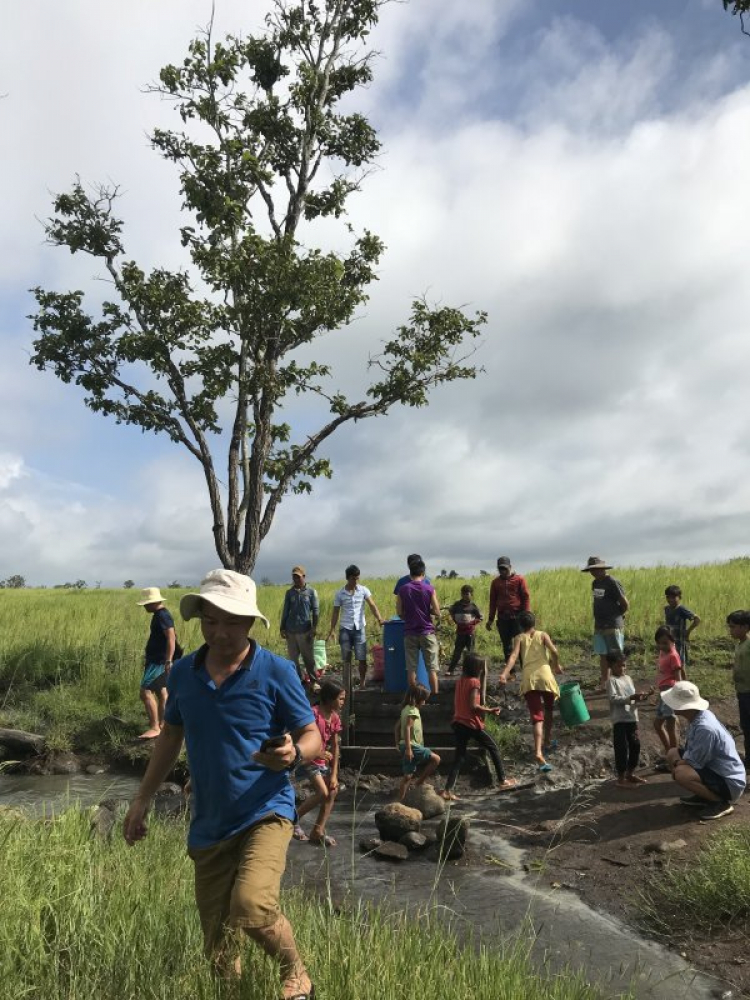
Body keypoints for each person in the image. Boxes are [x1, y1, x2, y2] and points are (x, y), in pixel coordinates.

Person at [123, 569, 321, 1000]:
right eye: (211, 620)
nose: (220, 632)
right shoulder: (182, 676)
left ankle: (297, 972)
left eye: (232, 621)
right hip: (209, 822)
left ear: (250, 622)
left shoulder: (276, 671)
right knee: (218, 949)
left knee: (250, 904)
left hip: (265, 809)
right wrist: (141, 800)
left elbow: (313, 735)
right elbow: (170, 738)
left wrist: (294, 754)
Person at [663, 680, 746, 822]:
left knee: (681, 773)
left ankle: (720, 803)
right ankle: (704, 794)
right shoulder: (699, 717)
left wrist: (678, 764)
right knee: (672, 753)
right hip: (716, 770)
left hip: (729, 782)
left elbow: (695, 762)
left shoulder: (705, 728)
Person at [442, 653, 516, 800]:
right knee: (493, 746)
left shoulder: (460, 681)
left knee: (459, 757)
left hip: (458, 722)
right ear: (476, 668)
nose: (482, 669)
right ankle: (502, 780)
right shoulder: (474, 683)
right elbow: (473, 706)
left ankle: (447, 790)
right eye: (481, 667)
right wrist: (490, 710)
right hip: (470, 723)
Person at [500, 611, 563, 772]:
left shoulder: (519, 638)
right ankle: (547, 740)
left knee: (537, 716)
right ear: (534, 622)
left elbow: (513, 657)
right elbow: (554, 651)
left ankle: (539, 752)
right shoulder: (543, 635)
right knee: (548, 709)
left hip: (529, 679)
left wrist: (505, 674)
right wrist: (556, 665)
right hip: (546, 676)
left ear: (520, 625)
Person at [293, 680, 345, 847]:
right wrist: (317, 752)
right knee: (322, 793)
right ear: (329, 699)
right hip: (308, 759)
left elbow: (336, 747)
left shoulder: (335, 718)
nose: (343, 702)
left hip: (322, 762)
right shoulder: (313, 714)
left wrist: (335, 774)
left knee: (332, 790)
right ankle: (292, 820)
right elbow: (300, 736)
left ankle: (317, 831)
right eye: (341, 699)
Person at [327, 565, 385, 687]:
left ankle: (362, 682)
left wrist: (379, 618)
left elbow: (372, 605)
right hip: (345, 629)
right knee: (346, 658)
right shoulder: (340, 594)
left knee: (362, 657)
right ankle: (346, 684)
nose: (356, 581)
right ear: (348, 578)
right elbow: (336, 612)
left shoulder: (363, 590)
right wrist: (332, 630)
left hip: (359, 628)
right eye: (353, 579)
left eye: (358, 578)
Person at [581, 556, 629, 689]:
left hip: (613, 624)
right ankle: (605, 682)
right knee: (602, 654)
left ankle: (621, 682)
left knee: (616, 655)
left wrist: (618, 615)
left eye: (596, 569)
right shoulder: (595, 583)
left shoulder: (612, 582)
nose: (593, 572)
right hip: (599, 624)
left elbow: (625, 604)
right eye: (591, 570)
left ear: (603, 569)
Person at [605, 650, 651, 788]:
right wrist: (630, 698)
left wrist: (644, 696)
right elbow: (613, 699)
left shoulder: (628, 679)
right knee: (622, 748)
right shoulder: (611, 681)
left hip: (632, 718)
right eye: (619, 666)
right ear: (611, 666)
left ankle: (630, 773)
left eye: (624, 665)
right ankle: (620, 778)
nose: (622, 668)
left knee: (635, 745)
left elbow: (632, 699)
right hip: (619, 720)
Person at [135, 587, 176, 740]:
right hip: (158, 659)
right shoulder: (160, 614)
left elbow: (171, 638)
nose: (145, 606)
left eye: (146, 604)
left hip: (158, 661)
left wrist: (168, 660)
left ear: (153, 603)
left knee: (145, 692)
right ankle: (164, 725)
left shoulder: (162, 616)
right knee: (162, 691)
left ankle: (155, 726)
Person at [395, 558, 441, 695]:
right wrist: (428, 611)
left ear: (410, 573)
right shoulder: (429, 588)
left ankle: (414, 699)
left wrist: (409, 616)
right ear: (423, 573)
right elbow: (437, 612)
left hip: (410, 632)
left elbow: (399, 612)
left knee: (411, 668)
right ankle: (435, 697)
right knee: (431, 668)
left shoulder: (403, 590)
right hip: (427, 631)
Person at [394, 684, 441, 800]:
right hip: (412, 746)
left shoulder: (405, 710)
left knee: (407, 776)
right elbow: (407, 728)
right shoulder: (413, 711)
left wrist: (397, 744)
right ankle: (419, 783)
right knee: (436, 759)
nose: (425, 702)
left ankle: (400, 801)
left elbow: (396, 727)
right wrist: (409, 749)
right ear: (419, 699)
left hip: (405, 745)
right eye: (424, 699)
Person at [280, 565, 320, 688]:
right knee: (293, 659)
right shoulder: (289, 593)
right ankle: (299, 680)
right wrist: (282, 627)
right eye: (294, 577)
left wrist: (314, 627)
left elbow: (316, 611)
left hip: (305, 630)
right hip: (291, 630)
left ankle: (314, 681)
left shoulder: (311, 592)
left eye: (298, 576)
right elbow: (285, 611)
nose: (296, 579)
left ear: (304, 576)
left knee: (308, 658)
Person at [486, 557, 530, 665]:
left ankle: (525, 668)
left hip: (517, 617)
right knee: (507, 646)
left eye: (505, 568)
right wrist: (490, 619)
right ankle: (511, 673)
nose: (503, 571)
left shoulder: (519, 580)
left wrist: (526, 615)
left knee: (520, 644)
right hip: (502, 618)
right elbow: (493, 601)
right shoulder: (495, 583)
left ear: (510, 567)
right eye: (500, 569)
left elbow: (526, 597)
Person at [654, 624, 685, 758]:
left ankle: (674, 757)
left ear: (673, 641)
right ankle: (670, 754)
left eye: (666, 643)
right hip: (663, 693)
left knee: (670, 726)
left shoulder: (673, 655)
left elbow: (678, 677)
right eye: (660, 643)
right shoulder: (663, 652)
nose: (662, 646)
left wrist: (679, 695)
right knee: (657, 724)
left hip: (670, 692)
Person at [726, 610, 750, 770]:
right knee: (746, 727)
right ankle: (749, 759)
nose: (731, 630)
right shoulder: (741, 644)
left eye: (733, 627)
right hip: (742, 692)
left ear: (745, 627)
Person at [447, 585, 483, 675]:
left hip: (470, 633)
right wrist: (455, 620)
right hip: (460, 633)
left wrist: (472, 623)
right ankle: (450, 670)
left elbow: (480, 618)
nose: (465, 596)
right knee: (457, 652)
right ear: (461, 594)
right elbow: (451, 612)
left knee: (470, 653)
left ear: (471, 595)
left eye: (467, 594)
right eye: (463, 594)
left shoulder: (473, 606)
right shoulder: (457, 605)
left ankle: (470, 672)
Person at [664, 586, 701, 666]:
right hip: (669, 641)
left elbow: (697, 619)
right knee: (670, 663)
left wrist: (688, 631)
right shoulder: (667, 609)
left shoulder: (681, 609)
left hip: (679, 642)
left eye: (673, 597)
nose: (670, 600)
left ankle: (681, 678)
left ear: (680, 597)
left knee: (679, 664)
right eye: (668, 597)